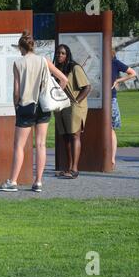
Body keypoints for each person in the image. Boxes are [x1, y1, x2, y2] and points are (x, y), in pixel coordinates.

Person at [0, 31, 68, 193]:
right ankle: (38, 182)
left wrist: (15, 106)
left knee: (19, 146)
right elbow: (63, 79)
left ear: (21, 48)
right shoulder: (44, 60)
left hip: (26, 105)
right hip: (43, 106)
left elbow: (16, 91)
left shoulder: (18, 63)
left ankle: (13, 181)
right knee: (41, 144)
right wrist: (54, 95)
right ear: (33, 46)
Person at [53, 44, 92, 179]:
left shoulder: (75, 68)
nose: (60, 55)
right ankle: (68, 167)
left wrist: (76, 101)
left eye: (63, 53)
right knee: (65, 137)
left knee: (74, 135)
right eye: (58, 53)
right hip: (61, 106)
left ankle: (74, 169)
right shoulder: (56, 69)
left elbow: (87, 87)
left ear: (67, 54)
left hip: (75, 106)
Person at [111, 50, 136, 169]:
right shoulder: (97, 63)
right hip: (97, 99)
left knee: (110, 129)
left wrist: (118, 80)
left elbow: (132, 73)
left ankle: (111, 158)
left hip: (110, 99)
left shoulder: (115, 63)